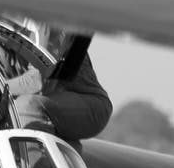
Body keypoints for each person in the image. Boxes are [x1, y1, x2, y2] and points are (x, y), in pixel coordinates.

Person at [6, 22, 112, 151]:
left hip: (89, 104)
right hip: (53, 104)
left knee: (27, 106)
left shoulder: (41, 24)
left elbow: (36, 81)